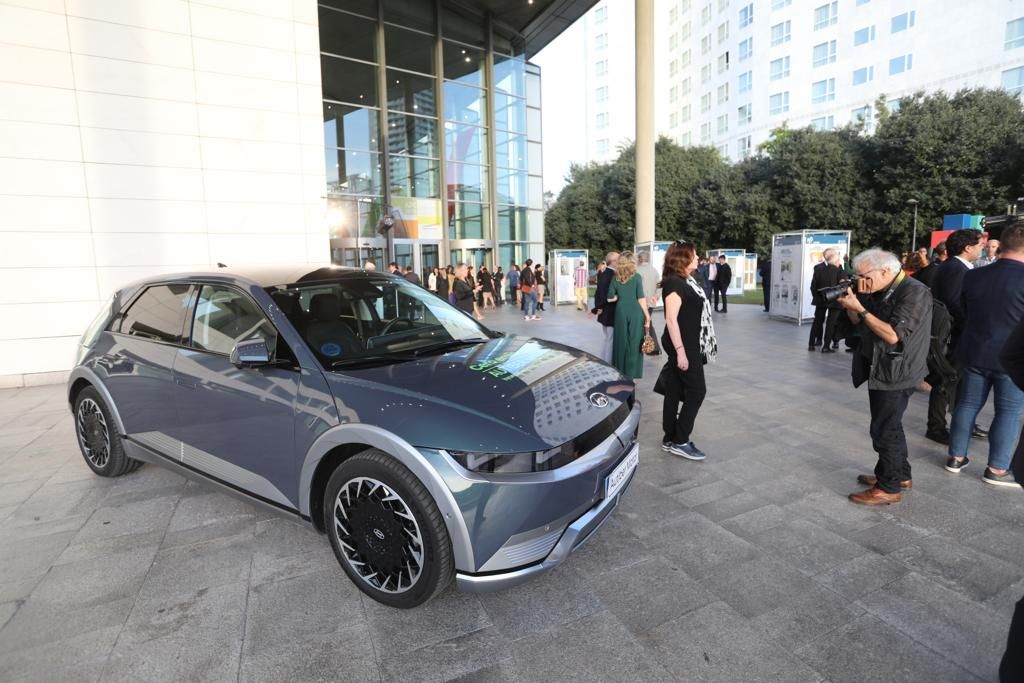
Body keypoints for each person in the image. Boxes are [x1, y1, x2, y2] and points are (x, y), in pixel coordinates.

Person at [837, 248, 933, 505]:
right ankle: (900, 474)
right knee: (891, 424)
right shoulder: (876, 288)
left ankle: (889, 487)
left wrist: (861, 308)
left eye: (862, 275)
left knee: (883, 429)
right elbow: (859, 322)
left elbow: (892, 335)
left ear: (885, 271)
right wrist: (851, 304)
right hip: (880, 366)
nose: (859, 280)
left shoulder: (914, 291)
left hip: (897, 370)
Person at [944, 224, 1024, 487]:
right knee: (1009, 412)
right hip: (1013, 357)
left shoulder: (974, 275)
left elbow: (965, 309)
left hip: (975, 349)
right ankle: (997, 468)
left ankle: (956, 457)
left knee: (966, 404)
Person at [659, 241, 717, 461]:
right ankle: (680, 440)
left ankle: (669, 437)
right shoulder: (675, 284)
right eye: (694, 254)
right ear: (683, 258)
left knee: (674, 389)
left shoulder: (687, 281)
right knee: (697, 391)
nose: (697, 257)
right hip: (682, 343)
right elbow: (671, 320)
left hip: (687, 340)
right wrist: (681, 352)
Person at [928, 229, 985, 444]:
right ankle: (937, 427)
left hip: (952, 333)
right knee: (947, 379)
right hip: (953, 334)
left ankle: (959, 423)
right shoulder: (955, 268)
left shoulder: (953, 267)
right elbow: (953, 302)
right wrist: (970, 323)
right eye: (980, 245)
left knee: (953, 380)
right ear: (967, 247)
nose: (982, 249)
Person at [604, 252, 650, 379]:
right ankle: (633, 372)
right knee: (634, 342)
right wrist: (647, 316)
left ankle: (619, 371)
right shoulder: (637, 277)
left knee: (620, 341)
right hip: (635, 312)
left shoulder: (616, 277)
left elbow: (609, 298)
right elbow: (641, 298)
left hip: (621, 311)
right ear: (632, 263)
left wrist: (618, 297)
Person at [809, 249, 844, 353]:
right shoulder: (839, 271)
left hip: (821, 299)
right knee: (830, 323)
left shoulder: (819, 270)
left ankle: (811, 344)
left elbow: (813, 286)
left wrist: (817, 296)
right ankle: (825, 346)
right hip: (834, 300)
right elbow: (843, 287)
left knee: (818, 321)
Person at [593, 252, 619, 362]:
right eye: (618, 260)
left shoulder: (603, 273)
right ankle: (608, 363)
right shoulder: (612, 275)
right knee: (610, 340)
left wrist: (598, 307)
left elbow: (597, 293)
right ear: (613, 262)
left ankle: (603, 360)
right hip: (610, 312)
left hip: (604, 311)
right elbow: (608, 295)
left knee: (607, 339)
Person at [636, 250, 662, 354]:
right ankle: (651, 347)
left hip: (641, 302)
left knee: (646, 324)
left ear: (639, 259)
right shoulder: (654, 270)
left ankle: (653, 348)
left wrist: (645, 298)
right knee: (647, 322)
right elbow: (659, 286)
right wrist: (656, 296)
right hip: (651, 301)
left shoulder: (637, 271)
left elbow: (639, 288)